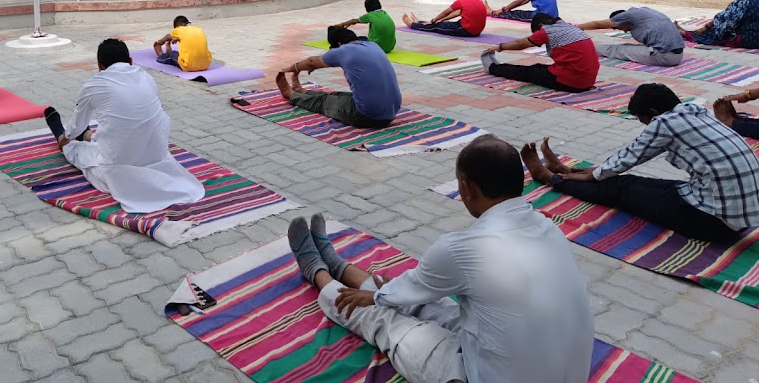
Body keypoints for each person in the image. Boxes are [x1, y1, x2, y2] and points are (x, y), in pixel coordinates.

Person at [286, 135, 593, 383]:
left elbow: (408, 289)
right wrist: (385, 294)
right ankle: (339, 266)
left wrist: (380, 296)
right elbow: (414, 289)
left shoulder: (461, 248)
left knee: (386, 321)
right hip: (564, 372)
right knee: (432, 305)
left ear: (467, 188)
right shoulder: (546, 227)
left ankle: (318, 273)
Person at [521, 82, 759, 242]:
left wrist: (590, 175)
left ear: (654, 112)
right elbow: (624, 161)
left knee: (617, 188)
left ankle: (551, 179)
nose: (644, 125)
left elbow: (629, 157)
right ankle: (565, 170)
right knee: (628, 181)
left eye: (642, 119)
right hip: (736, 216)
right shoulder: (696, 112)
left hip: (713, 221)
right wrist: (591, 171)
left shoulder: (664, 123)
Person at [43, 39, 205, 214]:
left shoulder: (93, 84)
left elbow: (75, 127)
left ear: (100, 65)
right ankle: (89, 135)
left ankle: (60, 136)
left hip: (119, 164)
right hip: (157, 154)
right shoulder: (146, 77)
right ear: (130, 60)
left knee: (77, 150)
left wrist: (67, 136)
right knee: (120, 131)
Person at [275, 26, 401, 129]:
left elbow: (312, 61)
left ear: (339, 44)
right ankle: (301, 91)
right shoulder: (372, 45)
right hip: (391, 112)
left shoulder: (344, 50)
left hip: (368, 117)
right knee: (336, 96)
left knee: (323, 102)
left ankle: (290, 94)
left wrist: (294, 68)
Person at [479, 14, 599, 92]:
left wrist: (500, 47)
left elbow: (521, 44)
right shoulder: (570, 27)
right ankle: (498, 66)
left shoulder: (547, 31)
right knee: (538, 68)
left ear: (541, 26)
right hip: (588, 81)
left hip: (572, 83)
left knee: (527, 72)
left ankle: (492, 68)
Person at [578, 7, 684, 66]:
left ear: (620, 21)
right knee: (628, 46)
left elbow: (598, 24)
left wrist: (578, 27)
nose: (623, 31)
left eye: (618, 28)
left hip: (665, 56)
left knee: (616, 49)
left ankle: (586, 49)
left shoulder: (628, 16)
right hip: (677, 54)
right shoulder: (644, 12)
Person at [677, 0, 759, 49]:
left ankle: (683, 33)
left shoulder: (742, 3)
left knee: (715, 33)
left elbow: (723, 18)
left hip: (746, 39)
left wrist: (706, 27)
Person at [403, 0, 488, 38]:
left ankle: (413, 25)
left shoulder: (462, 1)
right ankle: (420, 22)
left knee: (438, 26)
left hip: (468, 30)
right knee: (441, 23)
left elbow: (445, 12)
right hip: (477, 31)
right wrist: (441, 19)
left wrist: (435, 20)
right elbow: (457, 13)